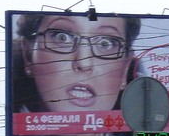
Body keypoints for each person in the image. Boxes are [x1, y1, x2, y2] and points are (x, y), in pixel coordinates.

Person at [12, 13, 141, 114]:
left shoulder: (148, 130)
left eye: (105, 43)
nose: (84, 63)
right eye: (62, 37)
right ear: (28, 54)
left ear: (125, 68)